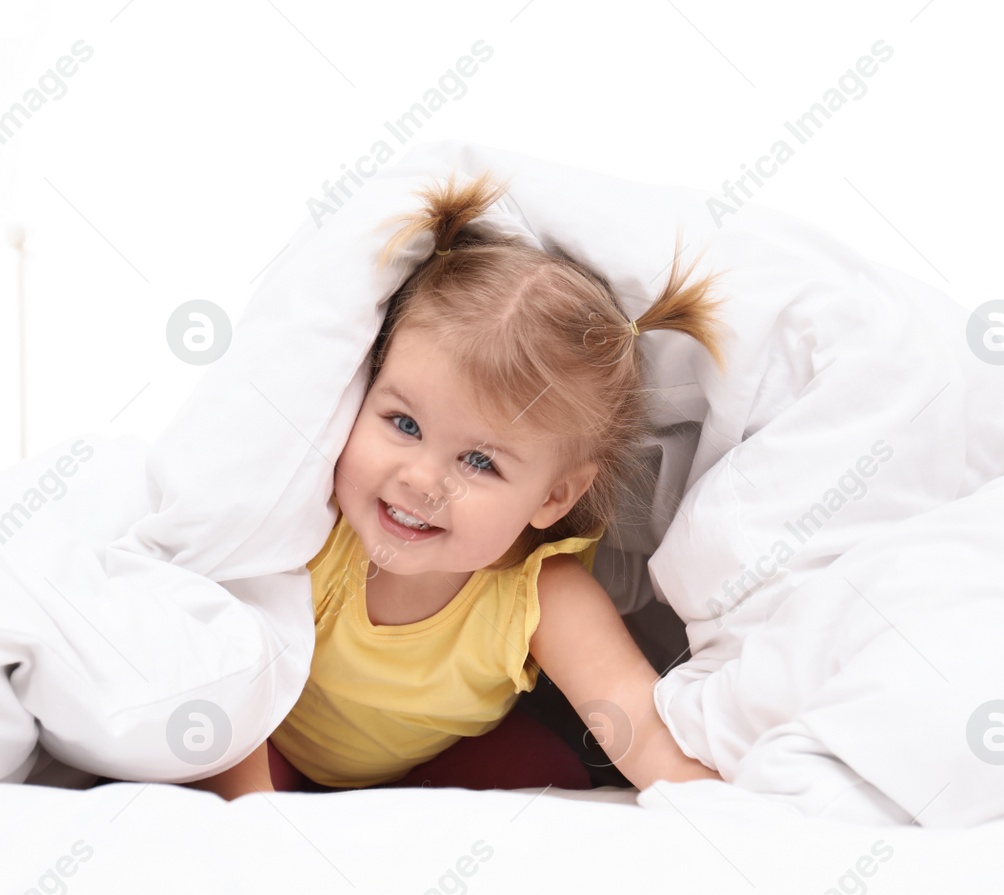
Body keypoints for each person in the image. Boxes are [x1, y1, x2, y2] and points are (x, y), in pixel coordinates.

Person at [194, 170, 730, 799]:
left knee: (550, 779)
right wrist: (258, 817)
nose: (421, 479)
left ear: (554, 497)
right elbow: (230, 672)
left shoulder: (540, 596)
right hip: (275, 741)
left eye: (479, 462)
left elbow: (634, 718)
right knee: (204, 750)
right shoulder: (313, 530)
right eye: (404, 423)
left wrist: (723, 810)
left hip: (434, 762)